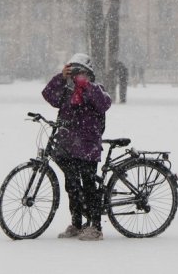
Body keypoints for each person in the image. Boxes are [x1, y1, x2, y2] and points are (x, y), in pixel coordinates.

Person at [42, 53, 112, 241]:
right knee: (71, 186)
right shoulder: (67, 92)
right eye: (74, 72)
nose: (77, 76)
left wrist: (86, 86)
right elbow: (48, 95)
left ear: (89, 74)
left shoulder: (96, 89)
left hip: (88, 146)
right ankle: (77, 223)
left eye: (80, 72)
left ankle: (95, 226)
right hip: (68, 146)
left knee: (89, 186)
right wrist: (61, 77)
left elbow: (105, 103)